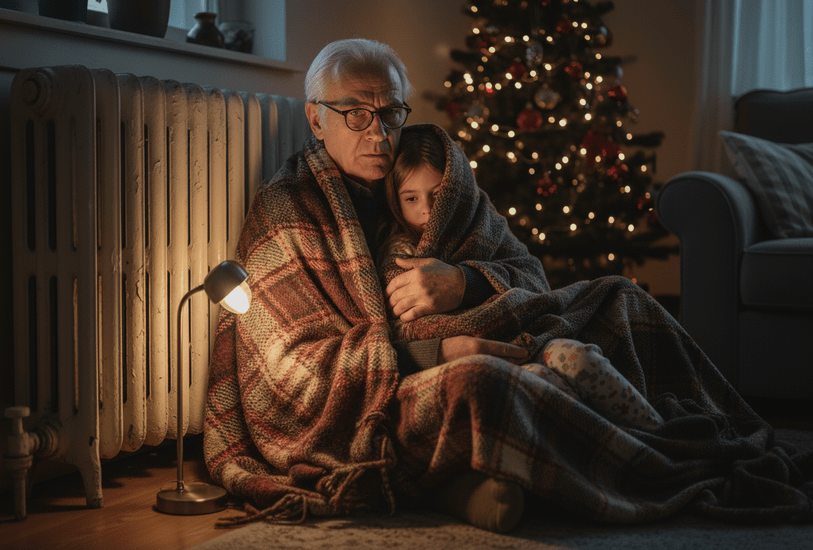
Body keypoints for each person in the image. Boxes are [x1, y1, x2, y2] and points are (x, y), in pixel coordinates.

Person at [204, 38, 813, 533]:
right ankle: (655, 466)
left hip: (505, 335)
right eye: (355, 114)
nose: (377, 132)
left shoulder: (435, 177)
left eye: (390, 112)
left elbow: (531, 277)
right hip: (389, 392)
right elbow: (292, 371)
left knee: (618, 297)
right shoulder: (285, 212)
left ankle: (718, 435)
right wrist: (442, 350)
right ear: (315, 118)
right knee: (484, 383)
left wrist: (465, 283)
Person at [378, 126, 663, 433]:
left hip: (529, 337)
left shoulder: (482, 222)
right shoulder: (400, 253)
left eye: (438, 195)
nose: (426, 210)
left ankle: (658, 436)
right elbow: (407, 328)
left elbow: (536, 282)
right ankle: (616, 447)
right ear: (396, 201)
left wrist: (469, 282)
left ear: (455, 192)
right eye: (411, 199)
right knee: (541, 383)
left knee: (579, 358)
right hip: (479, 358)